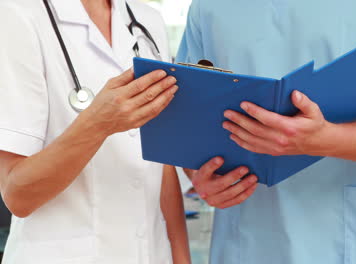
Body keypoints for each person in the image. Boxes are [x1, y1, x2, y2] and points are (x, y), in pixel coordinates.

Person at [176, 0, 356, 263]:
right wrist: (203, 179)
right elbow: (190, 126)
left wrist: (323, 140)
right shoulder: (208, 7)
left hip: (346, 244)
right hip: (243, 244)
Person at [0, 0, 258, 263]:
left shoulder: (148, 21)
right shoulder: (18, 14)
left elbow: (161, 169)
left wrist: (181, 258)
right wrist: (98, 124)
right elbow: (17, 195)